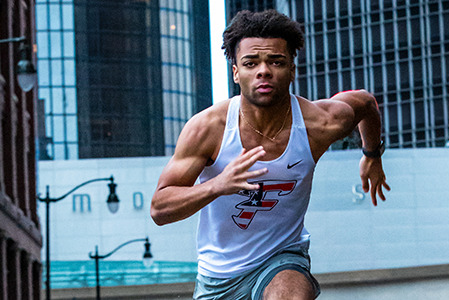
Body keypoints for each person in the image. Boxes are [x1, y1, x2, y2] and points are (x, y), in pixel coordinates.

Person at [151, 9, 390, 300]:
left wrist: (372, 154)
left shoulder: (320, 123)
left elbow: (365, 103)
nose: (263, 71)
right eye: (251, 63)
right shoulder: (208, 129)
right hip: (219, 277)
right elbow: (160, 209)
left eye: (275, 61)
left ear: (292, 68)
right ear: (236, 72)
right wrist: (217, 185)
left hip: (282, 260)